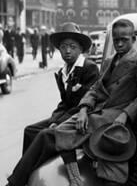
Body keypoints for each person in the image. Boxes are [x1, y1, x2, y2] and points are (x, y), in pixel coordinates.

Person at [0, 18, 137, 186]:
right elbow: (96, 89)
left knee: (53, 136)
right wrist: (84, 108)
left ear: (133, 39)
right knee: (54, 133)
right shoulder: (111, 61)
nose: (120, 44)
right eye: (116, 40)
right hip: (95, 116)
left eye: (125, 40)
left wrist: (125, 115)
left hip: (113, 121)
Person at [21, 22, 99, 155]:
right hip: (65, 116)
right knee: (29, 130)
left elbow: (84, 104)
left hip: (80, 119)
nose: (67, 51)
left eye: (72, 47)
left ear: (80, 49)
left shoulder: (89, 68)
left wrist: (57, 122)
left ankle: (22, 174)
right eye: (63, 47)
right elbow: (64, 103)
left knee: (45, 135)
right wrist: (54, 120)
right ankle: (27, 171)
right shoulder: (63, 72)